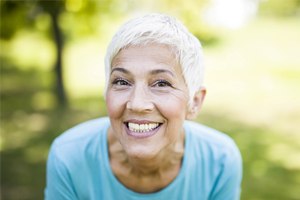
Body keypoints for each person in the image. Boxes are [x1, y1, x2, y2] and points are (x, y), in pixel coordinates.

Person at [45, 13, 242, 200]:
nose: (137, 104)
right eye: (122, 82)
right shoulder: (69, 157)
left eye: (162, 84)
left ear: (195, 102)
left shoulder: (220, 161)